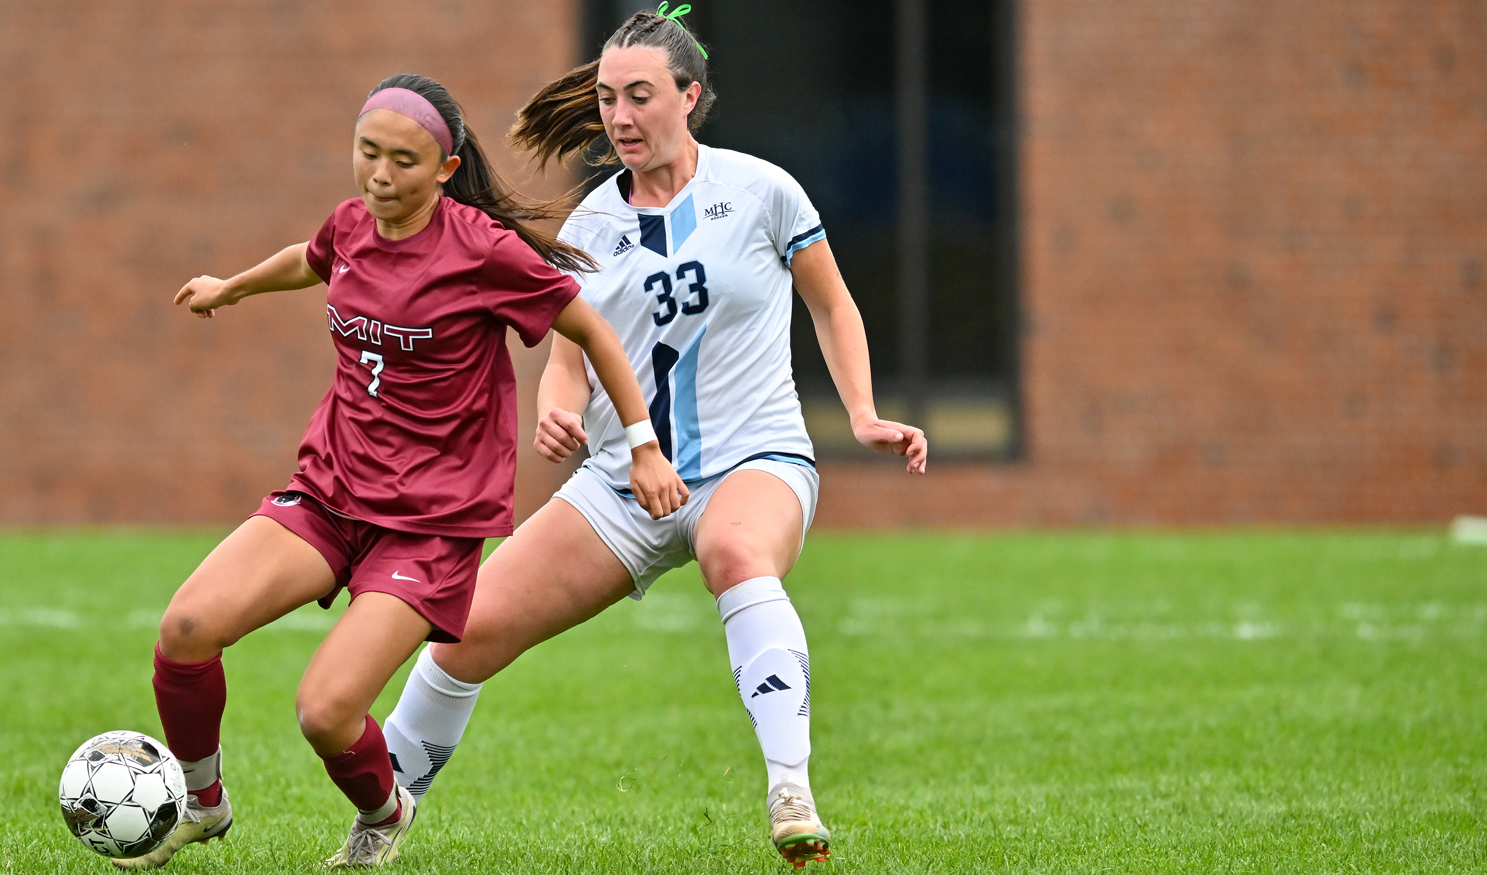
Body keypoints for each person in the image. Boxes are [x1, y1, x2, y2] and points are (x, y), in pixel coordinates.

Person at [378, 8, 927, 870]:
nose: (620, 117)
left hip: (755, 458)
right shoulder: (588, 229)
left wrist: (860, 411)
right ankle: (379, 825)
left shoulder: (763, 190)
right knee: (462, 633)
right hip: (624, 481)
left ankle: (791, 788)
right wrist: (555, 408)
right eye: (606, 99)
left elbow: (832, 302)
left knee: (737, 556)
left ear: (690, 96)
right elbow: (568, 360)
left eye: (640, 96)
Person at [117, 73, 684, 871]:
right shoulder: (352, 224)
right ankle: (202, 805)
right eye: (367, 153)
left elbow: (591, 328)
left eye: (403, 162)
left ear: (447, 169)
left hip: (431, 523)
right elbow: (311, 259)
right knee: (184, 631)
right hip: (329, 491)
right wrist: (232, 287)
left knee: (325, 712)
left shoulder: (484, 252)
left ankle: (385, 811)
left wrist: (641, 444)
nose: (380, 176)